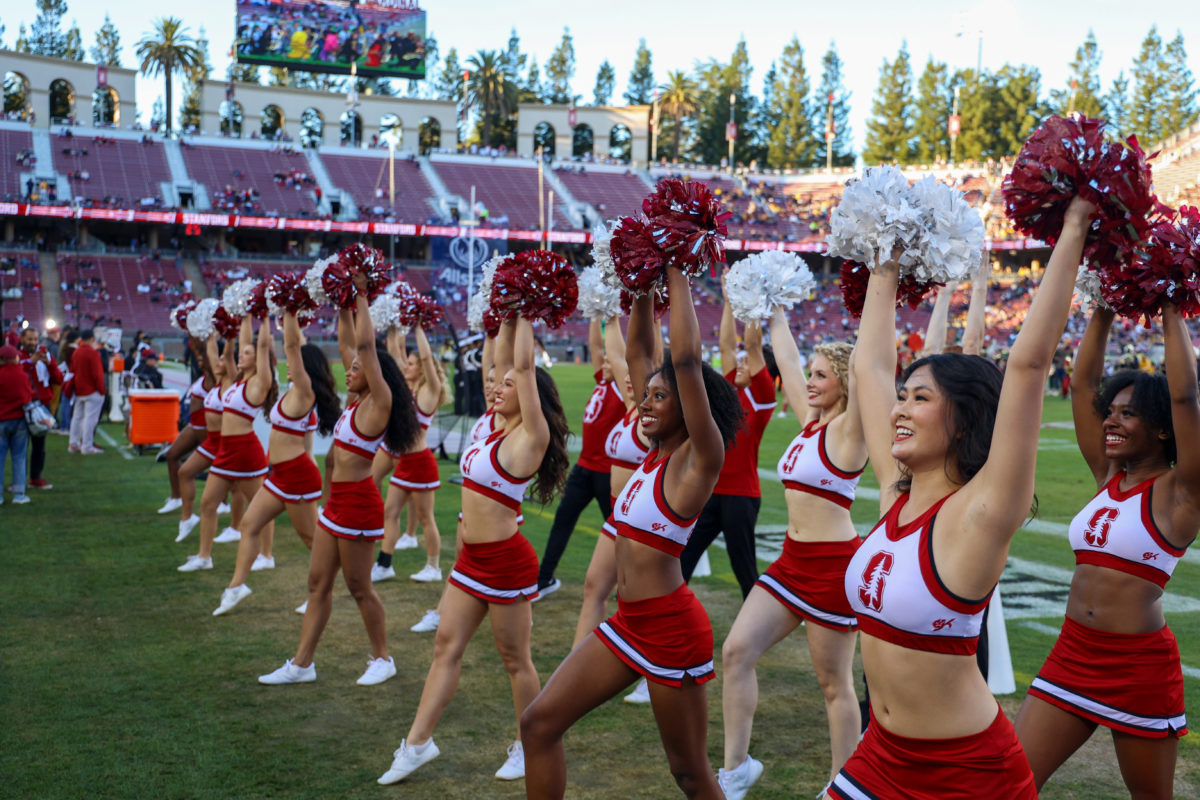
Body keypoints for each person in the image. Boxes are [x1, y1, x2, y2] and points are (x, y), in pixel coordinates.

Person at [827, 199, 1095, 799]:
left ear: (963, 419)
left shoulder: (980, 514)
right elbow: (869, 368)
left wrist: (1073, 226)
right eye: (903, 396)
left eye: (919, 399)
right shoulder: (891, 497)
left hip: (967, 775)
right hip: (879, 755)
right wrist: (885, 256)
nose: (898, 409)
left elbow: (1026, 367)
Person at [520, 264, 744, 800]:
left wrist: (675, 269)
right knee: (538, 724)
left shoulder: (698, 460)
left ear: (691, 408)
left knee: (689, 773)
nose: (645, 402)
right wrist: (640, 285)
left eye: (660, 398)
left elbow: (684, 360)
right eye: (646, 396)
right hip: (627, 623)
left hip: (671, 631)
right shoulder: (652, 453)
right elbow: (643, 355)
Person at [1014, 301, 1200, 795]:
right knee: (1008, 783)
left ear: (1162, 428)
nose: (1110, 422)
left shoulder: (1183, 493)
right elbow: (1081, 386)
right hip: (1072, 652)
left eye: (1128, 414)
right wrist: (1101, 307)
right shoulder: (1107, 475)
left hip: (1138, 667)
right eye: (1110, 413)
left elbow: (1184, 397)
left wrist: (1171, 305)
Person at [377, 314, 569, 784]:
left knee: (514, 660)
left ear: (529, 397)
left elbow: (521, 367)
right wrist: (504, 313)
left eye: (508, 385)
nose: (497, 387)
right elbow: (504, 360)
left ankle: (528, 745)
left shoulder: (531, 438)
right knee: (446, 647)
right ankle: (418, 744)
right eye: (495, 383)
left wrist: (527, 309)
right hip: (470, 562)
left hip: (507, 564)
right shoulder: (494, 427)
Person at [719, 323, 865, 798]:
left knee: (834, 685)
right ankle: (736, 768)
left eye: (822, 375)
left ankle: (842, 784)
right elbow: (785, 358)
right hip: (790, 562)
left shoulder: (850, 430)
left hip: (832, 569)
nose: (810, 382)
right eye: (811, 373)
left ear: (845, 381)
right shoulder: (810, 423)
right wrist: (776, 307)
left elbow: (871, 370)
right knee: (736, 652)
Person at [259, 278, 419, 686]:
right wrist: (343, 301)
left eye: (356, 369)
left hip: (360, 506)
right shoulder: (355, 402)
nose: (348, 371)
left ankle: (383, 658)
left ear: (374, 373)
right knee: (317, 584)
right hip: (336, 506)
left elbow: (365, 347)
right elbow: (351, 343)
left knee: (359, 587)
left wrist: (363, 294)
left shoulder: (379, 403)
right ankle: (302, 664)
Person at [213, 311, 341, 615]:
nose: (287, 365)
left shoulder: (304, 394)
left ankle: (321, 593)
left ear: (305, 368)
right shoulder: (290, 394)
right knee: (249, 524)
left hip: (297, 477)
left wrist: (288, 313)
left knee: (312, 541)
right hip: (279, 474)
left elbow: (293, 347)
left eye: (293, 362)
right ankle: (236, 586)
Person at [678, 275, 777, 599]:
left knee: (744, 568)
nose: (743, 363)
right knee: (683, 558)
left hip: (742, 496)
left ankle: (759, 615)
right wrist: (729, 299)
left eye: (750, 363)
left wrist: (749, 302)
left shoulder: (763, 398)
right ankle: (667, 606)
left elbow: (750, 346)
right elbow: (725, 346)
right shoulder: (730, 389)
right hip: (712, 491)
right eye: (742, 363)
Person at [570, 314, 654, 650]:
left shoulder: (654, 417)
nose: (627, 378)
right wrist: (609, 312)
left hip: (643, 521)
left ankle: (652, 675)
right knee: (594, 587)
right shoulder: (629, 408)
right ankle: (573, 670)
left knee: (637, 599)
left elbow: (632, 357)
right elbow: (618, 357)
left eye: (638, 376)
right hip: (617, 517)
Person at [178, 317, 277, 573]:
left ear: (258, 359)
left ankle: (267, 555)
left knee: (261, 506)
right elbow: (245, 341)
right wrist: (244, 314)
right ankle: (204, 557)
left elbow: (262, 345)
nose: (240, 356)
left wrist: (263, 317)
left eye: (247, 353)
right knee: (208, 503)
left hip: (246, 452)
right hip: (225, 450)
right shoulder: (238, 381)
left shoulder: (258, 383)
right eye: (241, 353)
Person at [535, 318, 625, 597]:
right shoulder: (603, 381)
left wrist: (612, 320)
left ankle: (631, 586)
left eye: (611, 362)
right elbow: (596, 347)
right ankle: (544, 579)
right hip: (585, 467)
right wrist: (595, 312)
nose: (605, 363)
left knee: (619, 535)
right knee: (563, 520)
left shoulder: (624, 387)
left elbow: (613, 354)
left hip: (607, 474)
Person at [372, 323, 450, 584]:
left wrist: (417, 326)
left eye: (413, 363)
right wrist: (394, 324)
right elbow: (394, 353)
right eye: (409, 362)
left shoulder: (429, 392)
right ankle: (384, 564)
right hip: (403, 461)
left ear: (423, 369)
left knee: (426, 518)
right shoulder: (406, 388)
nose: (408, 365)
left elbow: (427, 357)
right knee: (390, 512)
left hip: (420, 463)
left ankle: (434, 566)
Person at [157, 339, 214, 516]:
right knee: (172, 455)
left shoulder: (214, 377)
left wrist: (199, 337)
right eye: (197, 357)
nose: (199, 359)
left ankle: (224, 502)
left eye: (202, 357)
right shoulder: (201, 376)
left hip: (206, 426)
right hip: (193, 425)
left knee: (217, 464)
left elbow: (207, 353)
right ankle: (176, 498)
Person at [19, 327, 62, 490]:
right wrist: (32, 361)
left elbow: (58, 378)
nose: (33, 343)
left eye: (35, 339)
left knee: (39, 445)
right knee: (20, 446)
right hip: (23, 405)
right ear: (22, 340)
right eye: (30, 339)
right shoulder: (17, 357)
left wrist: (50, 364)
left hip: (42, 405)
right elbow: (16, 374)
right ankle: (19, 480)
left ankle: (35, 477)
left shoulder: (47, 356)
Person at [0, 344, 33, 505]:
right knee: (19, 458)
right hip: (19, 420)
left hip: (1, 420)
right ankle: (19, 494)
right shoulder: (22, 375)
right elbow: (28, 397)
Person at [67, 329, 105, 455]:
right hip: (92, 390)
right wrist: (101, 390)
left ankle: (74, 443)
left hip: (79, 390)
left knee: (77, 418)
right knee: (90, 419)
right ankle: (87, 446)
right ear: (92, 339)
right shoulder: (93, 353)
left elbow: (72, 371)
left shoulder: (76, 352)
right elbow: (97, 374)